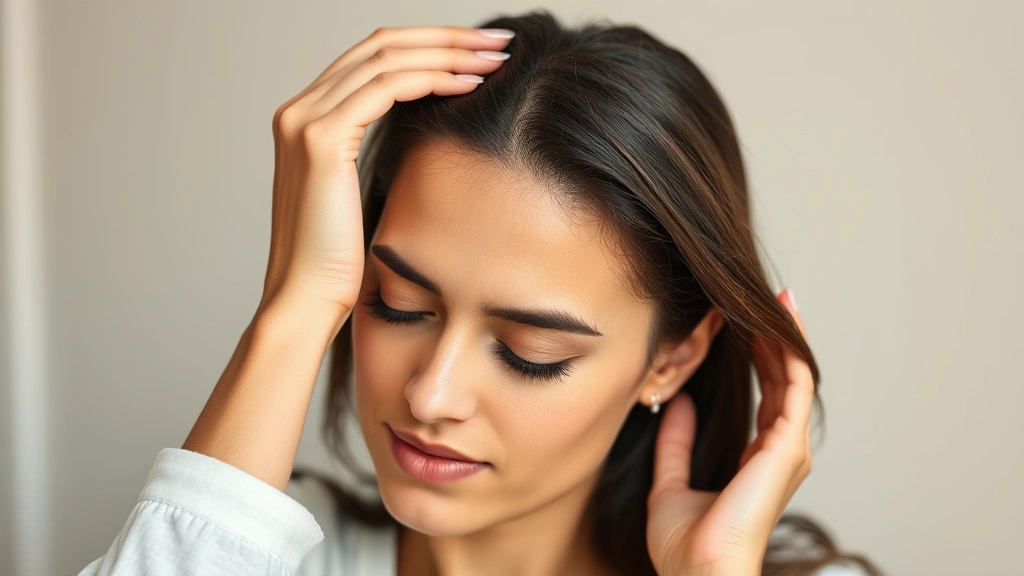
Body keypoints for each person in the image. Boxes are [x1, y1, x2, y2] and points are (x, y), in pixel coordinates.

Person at [79, 11, 881, 576]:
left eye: (531, 353)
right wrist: (291, 312)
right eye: (395, 302)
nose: (432, 393)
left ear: (671, 359)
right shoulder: (249, 553)